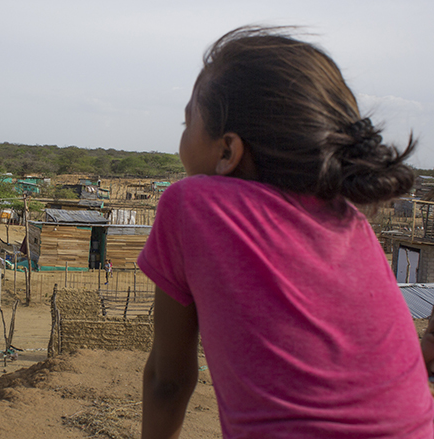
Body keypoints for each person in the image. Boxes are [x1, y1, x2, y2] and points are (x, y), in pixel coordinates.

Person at [138, 26, 434, 439]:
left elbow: (166, 382)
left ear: (227, 151)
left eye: (187, 123)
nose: (180, 140)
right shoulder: (351, 220)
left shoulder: (192, 204)